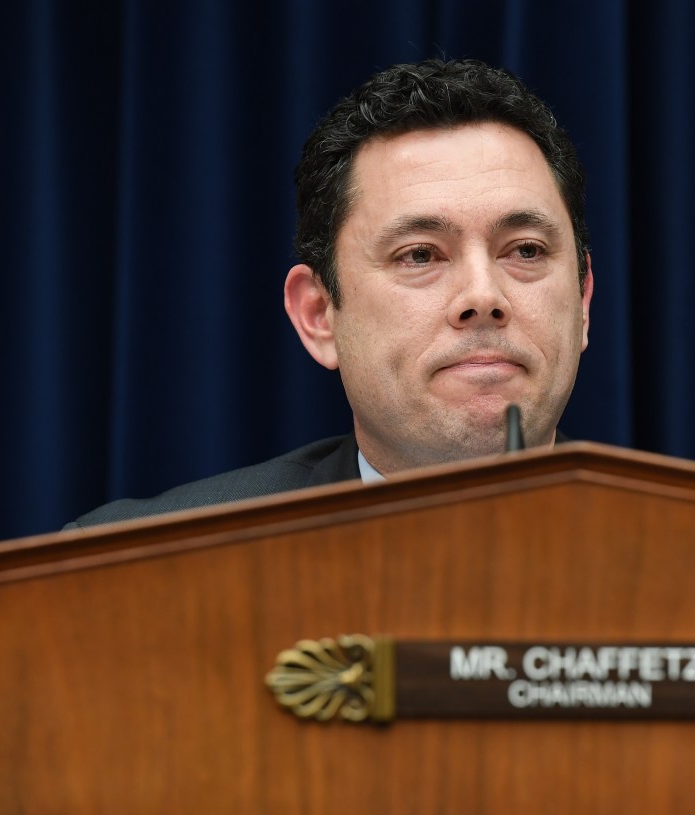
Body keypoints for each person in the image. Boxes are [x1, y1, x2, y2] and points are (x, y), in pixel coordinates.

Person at [69, 59, 593, 528]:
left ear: (583, 301)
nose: (483, 295)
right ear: (319, 315)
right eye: (419, 255)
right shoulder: (140, 568)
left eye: (525, 250)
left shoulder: (674, 548)